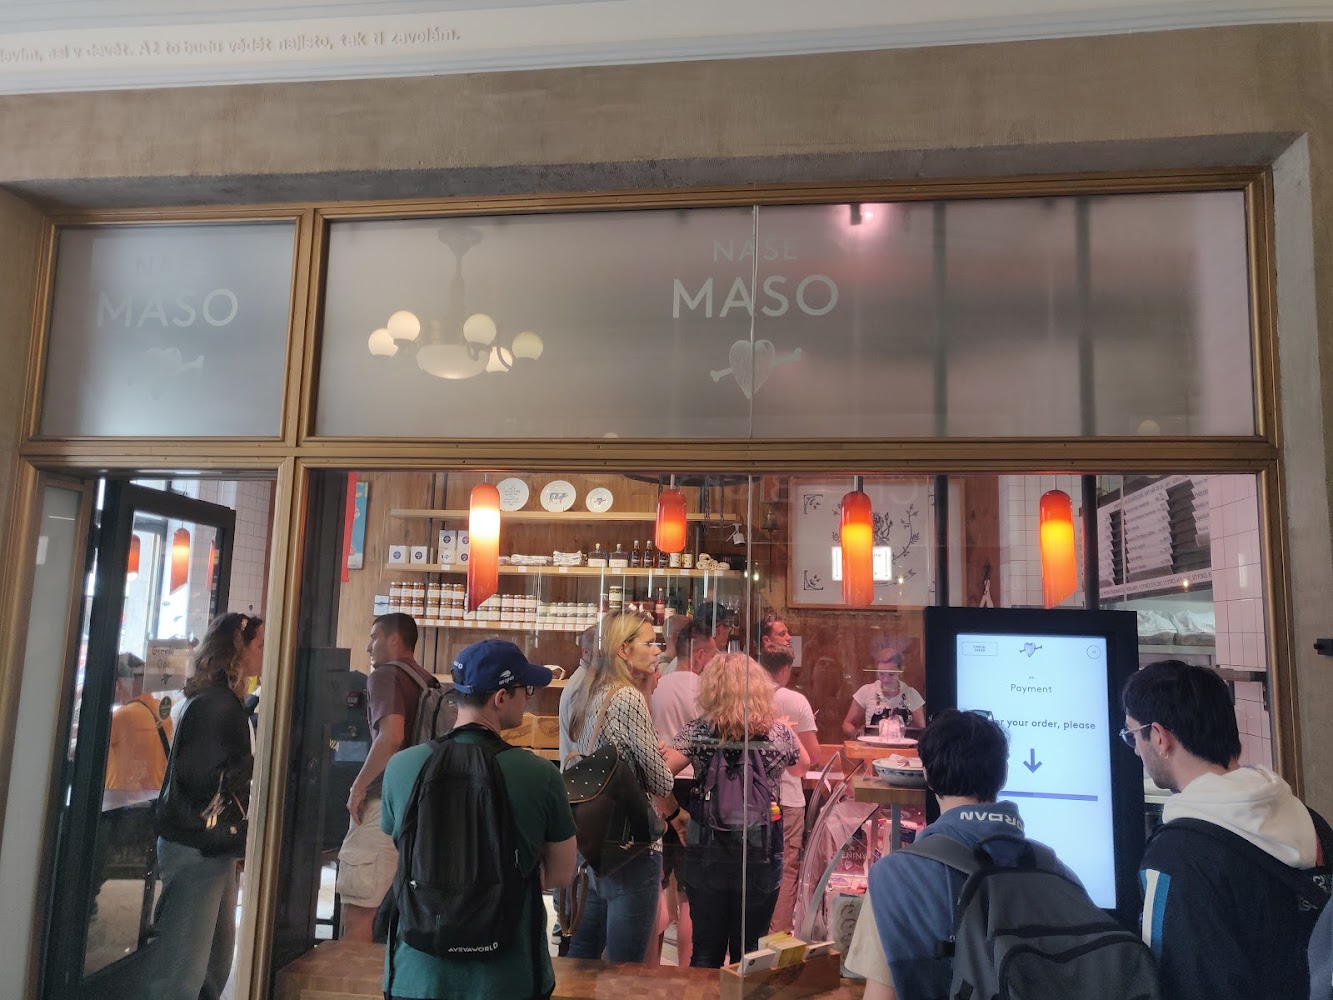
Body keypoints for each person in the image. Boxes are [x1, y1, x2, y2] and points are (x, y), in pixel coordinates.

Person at [379, 639, 577, 1000]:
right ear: (500, 697)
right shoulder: (540, 774)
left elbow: (403, 854)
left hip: (416, 974)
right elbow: (562, 873)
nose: (528, 698)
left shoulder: (401, 767)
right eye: (526, 690)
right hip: (508, 977)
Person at [1122, 659, 1331, 1000]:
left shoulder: (1175, 855)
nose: (1135, 749)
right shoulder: (1310, 821)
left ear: (1159, 737)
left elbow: (1178, 982)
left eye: (1132, 735)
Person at [844, 708, 1079, 1000]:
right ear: (1004, 774)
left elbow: (881, 995)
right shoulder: (1056, 871)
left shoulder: (893, 877)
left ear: (927, 776)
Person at [663, 652, 807, 967]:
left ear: (710, 689)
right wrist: (787, 729)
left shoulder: (698, 730)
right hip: (760, 847)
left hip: (707, 848)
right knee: (750, 951)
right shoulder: (776, 732)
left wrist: (675, 814)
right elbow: (802, 767)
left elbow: (660, 775)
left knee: (705, 949)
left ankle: (704, 990)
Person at [147, 612, 263, 1000]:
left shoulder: (214, 700)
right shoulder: (218, 705)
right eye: (260, 645)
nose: (265, 653)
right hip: (197, 844)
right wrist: (248, 772)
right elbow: (200, 778)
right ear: (238, 651)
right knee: (184, 968)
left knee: (209, 961)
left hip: (206, 845)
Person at [564, 610, 682, 963]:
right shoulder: (627, 698)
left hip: (593, 840)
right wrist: (656, 756)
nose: (658, 650)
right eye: (649, 642)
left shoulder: (589, 690)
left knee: (583, 956)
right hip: (630, 844)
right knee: (625, 965)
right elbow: (660, 779)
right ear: (623, 650)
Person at [337, 613, 434, 942]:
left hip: (382, 805)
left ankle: (353, 978)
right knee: (395, 916)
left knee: (359, 915)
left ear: (394, 639)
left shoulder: (384, 676)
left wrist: (358, 787)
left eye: (374, 637)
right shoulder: (426, 680)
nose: (369, 647)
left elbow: (391, 736)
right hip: (417, 807)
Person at [649, 616, 717, 966]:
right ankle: (688, 973)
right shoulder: (703, 691)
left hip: (659, 784)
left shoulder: (657, 684)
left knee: (656, 882)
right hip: (693, 787)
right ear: (700, 654)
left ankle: (650, 968)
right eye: (713, 655)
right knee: (692, 891)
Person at [759, 643, 820, 933]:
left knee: (754, 866)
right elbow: (812, 755)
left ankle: (753, 936)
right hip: (788, 797)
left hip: (752, 796)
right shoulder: (795, 700)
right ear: (785, 669)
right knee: (785, 868)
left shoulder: (747, 698)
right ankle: (779, 940)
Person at [105, 652, 174, 791]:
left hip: (121, 799)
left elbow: (88, 745)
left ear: (118, 684)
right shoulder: (161, 712)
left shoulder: (123, 716)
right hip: (154, 797)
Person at [843, 637, 925, 738]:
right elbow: (847, 724)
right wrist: (859, 735)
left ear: (900, 672)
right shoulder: (866, 691)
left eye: (891, 674)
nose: (885, 679)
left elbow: (921, 729)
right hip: (872, 746)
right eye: (881, 674)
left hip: (902, 746)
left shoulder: (911, 694)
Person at [558, 624, 599, 766]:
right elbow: (580, 739)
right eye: (599, 651)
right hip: (577, 772)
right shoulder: (582, 684)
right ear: (585, 651)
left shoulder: (588, 679)